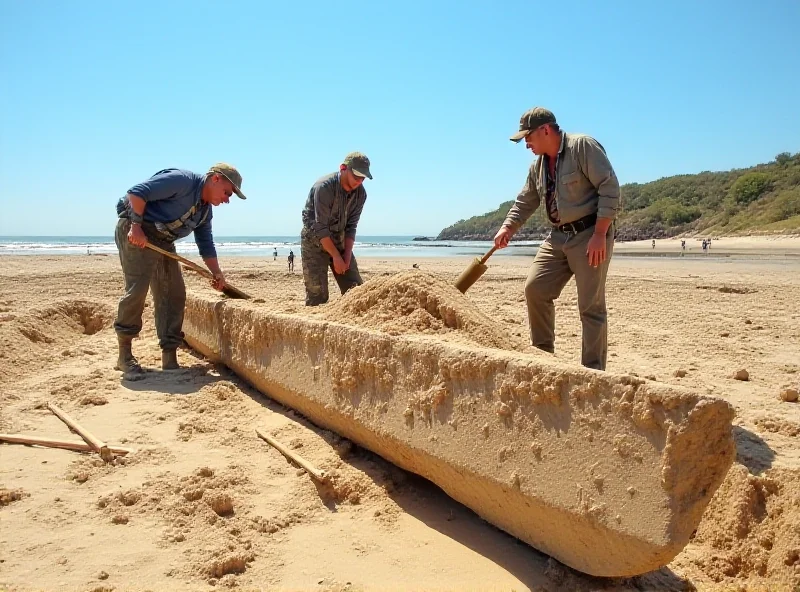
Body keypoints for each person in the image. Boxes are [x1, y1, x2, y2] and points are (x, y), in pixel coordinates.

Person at [493, 107, 619, 371]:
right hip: (557, 237)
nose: (525, 143)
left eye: (528, 137)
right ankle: (543, 358)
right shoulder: (537, 166)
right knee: (535, 289)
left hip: (590, 234)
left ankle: (593, 372)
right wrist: (507, 228)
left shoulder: (582, 147)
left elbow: (609, 187)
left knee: (590, 307)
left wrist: (599, 234)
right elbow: (525, 201)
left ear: (546, 129)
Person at [113, 163, 246, 376]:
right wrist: (136, 227)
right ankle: (124, 356)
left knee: (173, 293)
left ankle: (169, 355)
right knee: (137, 290)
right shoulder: (182, 181)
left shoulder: (204, 212)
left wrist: (216, 272)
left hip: (163, 241)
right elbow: (136, 194)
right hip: (136, 231)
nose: (227, 199)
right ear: (216, 179)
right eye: (227, 192)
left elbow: (205, 243)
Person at [300, 152, 372, 306]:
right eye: (356, 176)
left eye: (363, 178)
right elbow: (320, 227)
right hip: (314, 241)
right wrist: (335, 257)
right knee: (317, 297)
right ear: (343, 168)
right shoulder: (324, 187)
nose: (359, 181)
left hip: (339, 239)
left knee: (356, 292)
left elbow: (351, 226)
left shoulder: (361, 194)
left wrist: (345, 256)